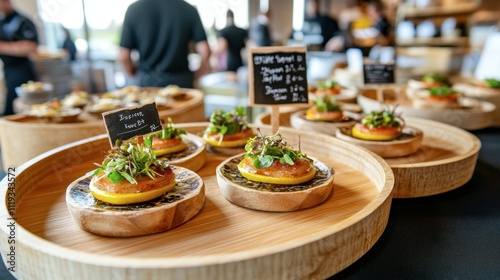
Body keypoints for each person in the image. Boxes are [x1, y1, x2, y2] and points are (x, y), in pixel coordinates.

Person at [118, 0, 211, 88]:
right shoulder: (189, 9)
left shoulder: (134, 9)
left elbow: (123, 56)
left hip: (147, 84)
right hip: (181, 82)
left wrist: (133, 75)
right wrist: (196, 76)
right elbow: (205, 51)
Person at [0, 0, 38, 116]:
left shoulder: (23, 21)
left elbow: (32, 47)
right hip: (8, 72)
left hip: (22, 72)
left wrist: (2, 47)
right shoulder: (2, 22)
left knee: (20, 111)